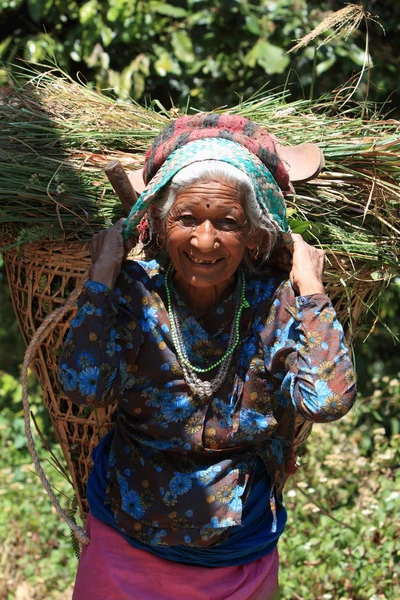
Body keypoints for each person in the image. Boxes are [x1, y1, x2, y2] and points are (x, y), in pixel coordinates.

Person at [58, 114, 357, 600]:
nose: (204, 241)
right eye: (187, 219)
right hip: (126, 544)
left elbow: (327, 400)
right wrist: (101, 275)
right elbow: (83, 388)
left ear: (256, 234)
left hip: (237, 554)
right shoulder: (135, 296)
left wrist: (312, 288)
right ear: (158, 224)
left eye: (228, 222)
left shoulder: (274, 305)